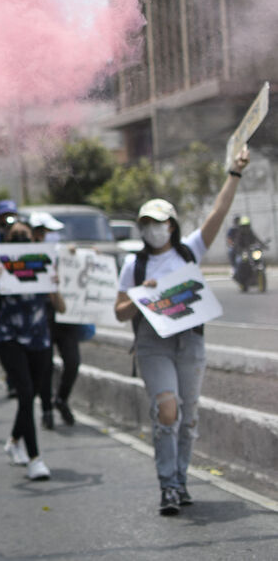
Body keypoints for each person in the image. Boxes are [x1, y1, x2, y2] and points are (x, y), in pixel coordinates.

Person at [114, 146, 249, 516]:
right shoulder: (134, 265)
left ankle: (182, 480)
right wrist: (143, 297)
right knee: (167, 410)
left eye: (159, 221)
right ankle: (168, 486)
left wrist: (233, 173)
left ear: (172, 224)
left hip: (190, 341)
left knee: (188, 418)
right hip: (152, 344)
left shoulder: (190, 251)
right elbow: (120, 312)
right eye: (146, 223)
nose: (153, 229)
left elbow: (218, 214)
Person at [0, 219, 64, 481]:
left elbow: (61, 308)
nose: (20, 238)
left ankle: (14, 440)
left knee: (31, 396)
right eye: (15, 235)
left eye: (25, 235)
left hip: (40, 340)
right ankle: (34, 458)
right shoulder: (0, 268)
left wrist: (54, 284)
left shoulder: (46, 263)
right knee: (26, 392)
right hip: (11, 339)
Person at [27, 211, 77, 430]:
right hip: (42, 317)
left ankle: (62, 399)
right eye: (43, 232)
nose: (47, 236)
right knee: (45, 366)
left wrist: (84, 255)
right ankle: (47, 409)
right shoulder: (26, 254)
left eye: (49, 232)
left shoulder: (61, 253)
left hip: (65, 317)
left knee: (73, 361)